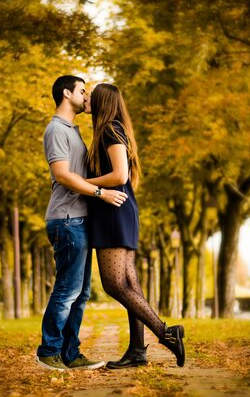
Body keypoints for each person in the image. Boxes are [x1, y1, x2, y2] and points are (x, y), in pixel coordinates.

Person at [85, 83, 185, 368]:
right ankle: (138, 351)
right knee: (129, 283)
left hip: (114, 211)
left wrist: (81, 184)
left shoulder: (110, 130)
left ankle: (167, 334)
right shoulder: (111, 129)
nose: (88, 99)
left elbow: (119, 174)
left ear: (104, 101)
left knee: (114, 284)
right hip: (117, 210)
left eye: (93, 95)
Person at [36, 75, 129, 371]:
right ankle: (48, 351)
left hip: (79, 219)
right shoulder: (55, 130)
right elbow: (63, 175)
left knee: (81, 292)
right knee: (67, 289)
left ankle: (70, 353)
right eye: (82, 91)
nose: (87, 96)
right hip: (66, 219)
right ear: (67, 93)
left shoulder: (73, 131)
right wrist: (100, 192)